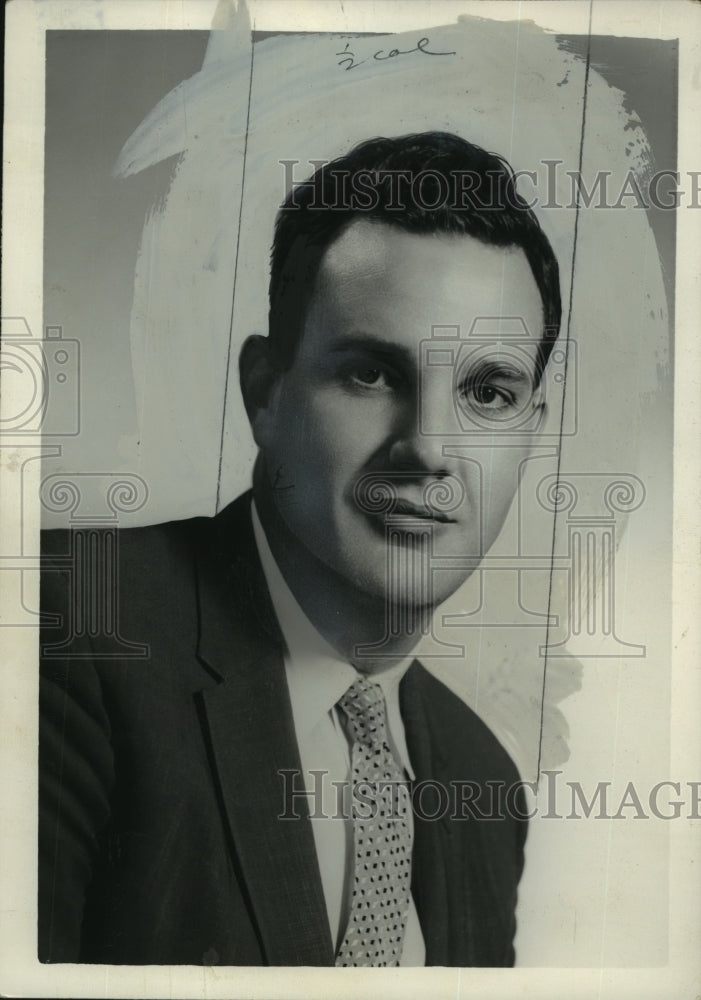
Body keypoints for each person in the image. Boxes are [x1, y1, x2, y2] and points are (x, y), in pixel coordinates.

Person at [39, 131, 561, 967]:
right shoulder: (67, 622)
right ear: (265, 394)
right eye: (371, 375)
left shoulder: (483, 783)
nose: (427, 449)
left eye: (487, 392)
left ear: (529, 437)